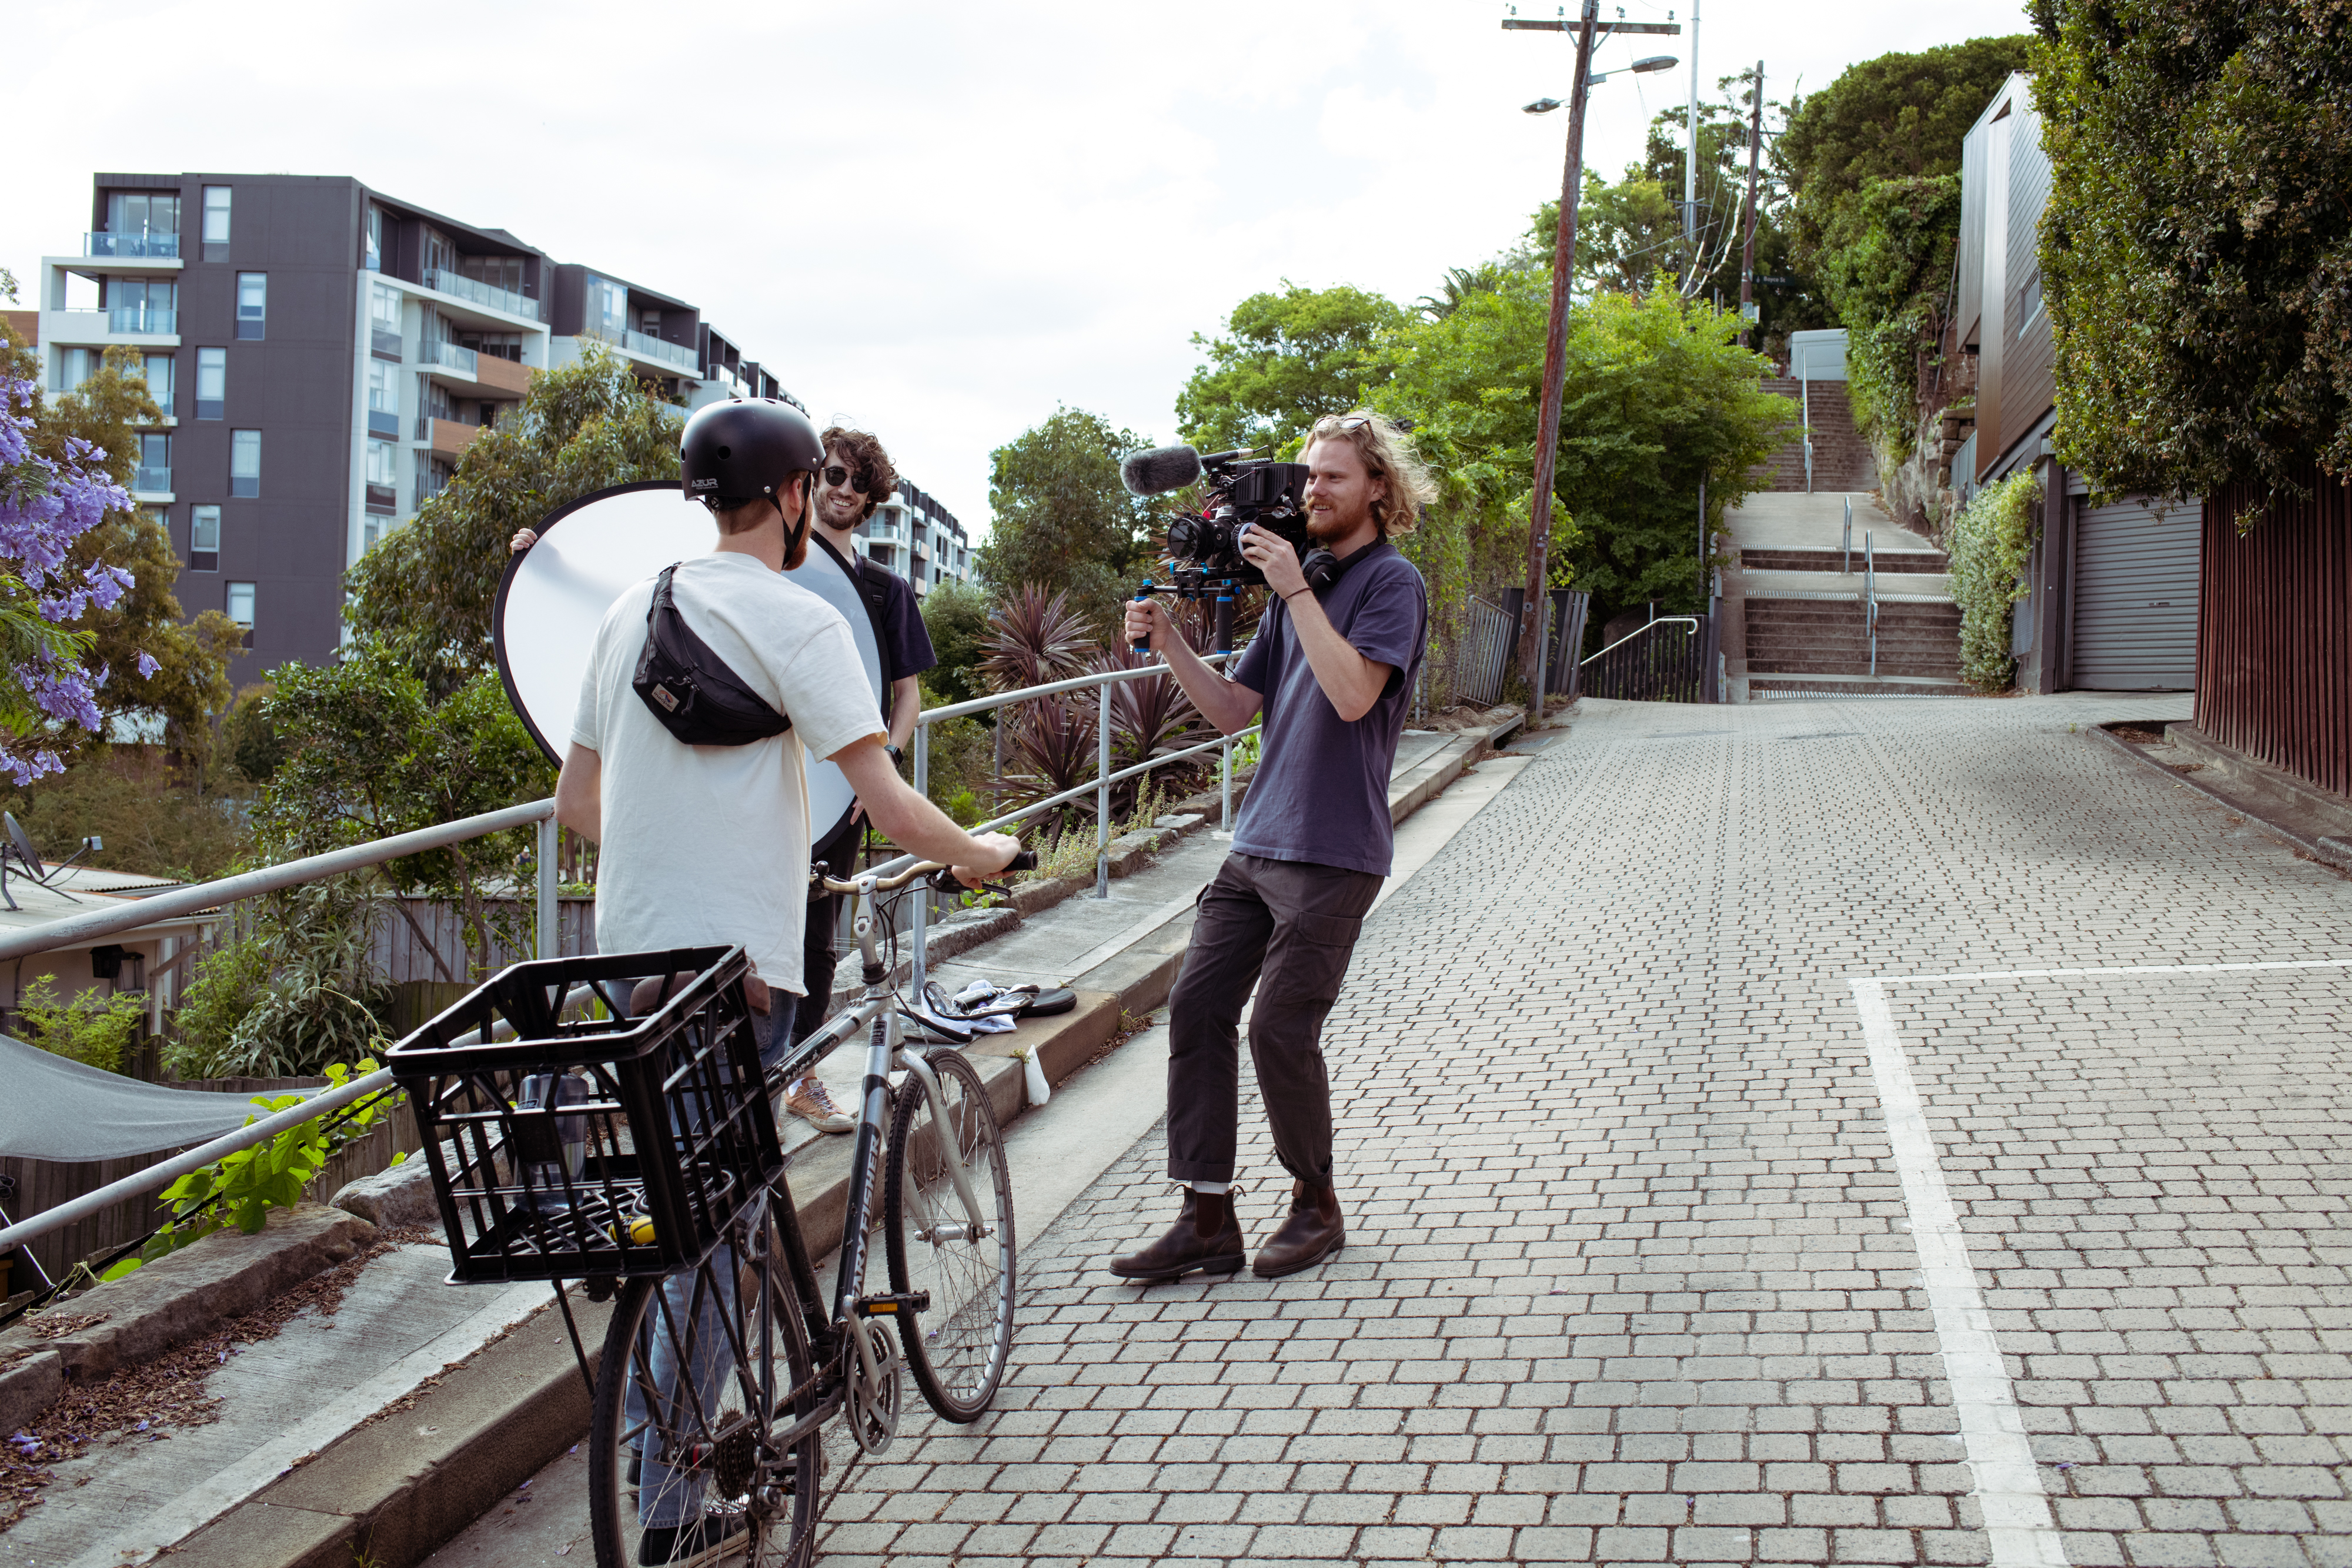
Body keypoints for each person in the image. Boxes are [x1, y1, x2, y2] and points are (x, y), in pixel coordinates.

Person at [554, 396, 1016, 1563]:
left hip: (627, 965)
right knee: (713, 1241)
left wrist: (673, 855)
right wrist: (985, 853)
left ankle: (689, 1455)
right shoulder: (799, 615)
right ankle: (668, 1503)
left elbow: (576, 803)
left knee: (702, 1215)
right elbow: (888, 803)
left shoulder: (629, 606)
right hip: (740, 972)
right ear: (799, 495)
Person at [1108, 410, 1433, 1285]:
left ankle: (1315, 1202)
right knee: (1197, 1008)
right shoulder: (1309, 579)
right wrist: (1169, 640)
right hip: (1257, 841)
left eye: (1331, 477)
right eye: (1308, 476)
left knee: (1279, 1031)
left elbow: (1356, 695)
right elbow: (1230, 712)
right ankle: (1206, 1216)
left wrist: (1294, 590)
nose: (1311, 490)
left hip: (1334, 851)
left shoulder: (1387, 584)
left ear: (1377, 490)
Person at [776, 424, 936, 1135]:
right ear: (809, 481)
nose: (842, 490)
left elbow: (906, 695)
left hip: (842, 796)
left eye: (857, 483)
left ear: (871, 501)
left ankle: (802, 1080)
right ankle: (753, 1078)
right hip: (767, 782)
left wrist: (883, 769)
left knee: (817, 941)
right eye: (832, 475)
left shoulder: (884, 590)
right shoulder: (771, 569)